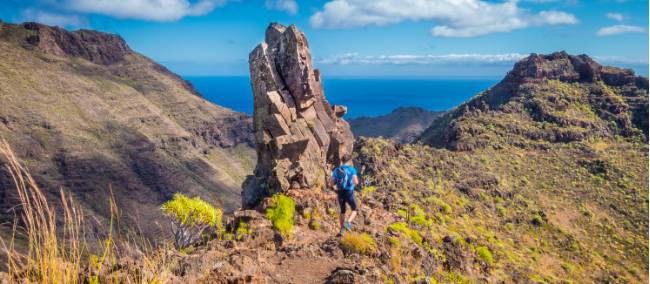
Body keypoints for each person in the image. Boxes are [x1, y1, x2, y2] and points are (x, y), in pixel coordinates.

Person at [328, 153, 359, 237]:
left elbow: (331, 183)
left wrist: (335, 185)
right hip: (349, 192)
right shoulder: (352, 170)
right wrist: (351, 184)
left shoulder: (336, 170)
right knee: (355, 209)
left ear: (342, 161)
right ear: (349, 161)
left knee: (342, 211)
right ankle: (348, 223)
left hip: (340, 192)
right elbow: (356, 182)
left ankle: (342, 230)